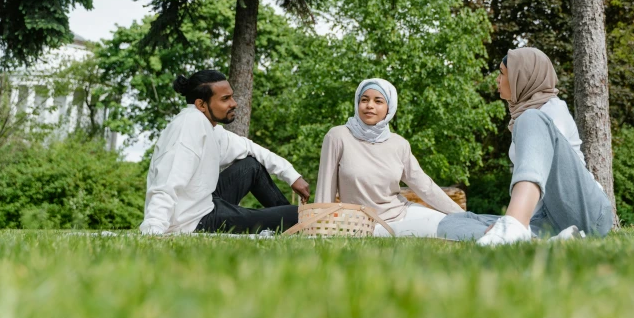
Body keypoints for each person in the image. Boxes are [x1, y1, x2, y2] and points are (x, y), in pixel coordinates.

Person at [438, 48, 613, 245]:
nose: (497, 79)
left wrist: (514, 221)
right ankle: (535, 240)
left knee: (530, 118)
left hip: (586, 213)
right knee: (452, 223)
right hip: (546, 220)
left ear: (521, 77)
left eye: (502, 73)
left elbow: (551, 176)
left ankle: (514, 226)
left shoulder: (551, 110)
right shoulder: (521, 118)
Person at [139, 70, 311, 235]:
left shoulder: (210, 128)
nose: (234, 103)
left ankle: (292, 226)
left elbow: (249, 147)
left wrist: (292, 176)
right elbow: (167, 182)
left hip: (205, 204)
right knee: (297, 214)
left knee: (250, 166)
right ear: (201, 104)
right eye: (225, 99)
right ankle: (296, 223)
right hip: (194, 222)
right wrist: (154, 227)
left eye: (231, 96)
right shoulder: (188, 126)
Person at [315, 78, 464, 237]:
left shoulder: (399, 144)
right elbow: (325, 188)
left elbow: (424, 185)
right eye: (364, 100)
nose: (369, 105)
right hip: (361, 223)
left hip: (401, 213)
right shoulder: (338, 136)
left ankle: (485, 229)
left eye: (378, 101)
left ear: (389, 108)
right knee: (428, 231)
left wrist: (460, 213)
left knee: (452, 224)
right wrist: (319, 227)